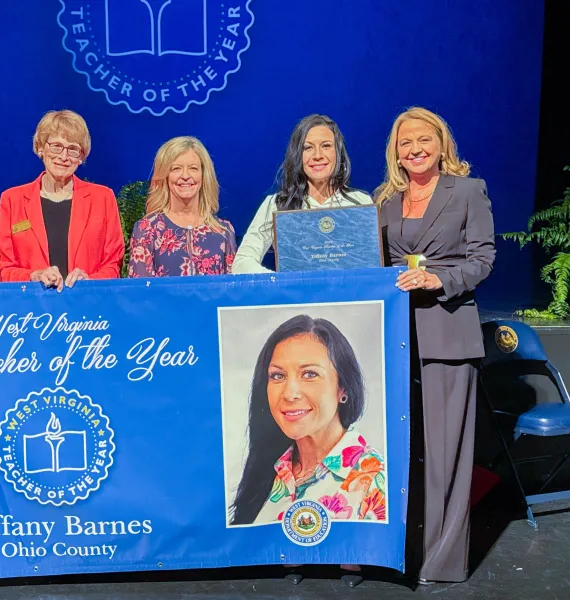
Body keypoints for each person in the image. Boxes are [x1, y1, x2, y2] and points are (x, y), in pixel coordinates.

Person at [375, 107, 495, 585]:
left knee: (446, 454)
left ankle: (442, 561)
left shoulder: (468, 191)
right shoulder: (386, 201)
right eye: (406, 142)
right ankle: (400, 551)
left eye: (425, 139)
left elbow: (483, 259)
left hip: (447, 333)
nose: (416, 148)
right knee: (403, 453)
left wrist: (438, 279)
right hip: (396, 338)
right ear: (396, 151)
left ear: (441, 143)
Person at [229, 314, 385, 587]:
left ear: (343, 388)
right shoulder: (271, 469)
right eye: (277, 375)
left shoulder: (375, 479)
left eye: (309, 374)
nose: (290, 393)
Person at [0, 109, 124, 288]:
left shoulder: (103, 198)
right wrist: (34, 275)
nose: (63, 157)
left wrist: (90, 281)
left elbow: (113, 264)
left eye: (73, 149)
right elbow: (4, 269)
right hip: (33, 308)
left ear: (81, 157)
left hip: (88, 306)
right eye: (56, 146)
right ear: (41, 148)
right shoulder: (12, 200)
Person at [231, 114, 374, 274]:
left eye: (326, 146)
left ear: (338, 152)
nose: (317, 155)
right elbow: (242, 263)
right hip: (296, 298)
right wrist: (283, 284)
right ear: (298, 155)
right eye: (308, 148)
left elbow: (372, 265)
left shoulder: (361, 202)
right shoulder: (277, 204)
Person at [128, 136, 237, 277]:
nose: (185, 175)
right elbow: (141, 292)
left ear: (204, 175)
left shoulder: (223, 231)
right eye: (176, 168)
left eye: (193, 168)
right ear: (165, 175)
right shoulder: (147, 229)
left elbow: (232, 291)